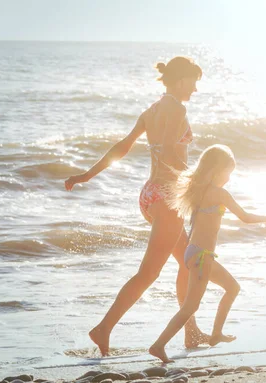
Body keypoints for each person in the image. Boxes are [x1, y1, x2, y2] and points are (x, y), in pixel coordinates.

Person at [64, 56, 209, 356]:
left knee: (189, 263)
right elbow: (170, 148)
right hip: (168, 197)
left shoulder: (152, 110)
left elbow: (123, 146)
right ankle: (103, 328)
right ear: (181, 80)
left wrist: (86, 175)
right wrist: (196, 184)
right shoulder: (177, 108)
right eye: (194, 81)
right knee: (149, 273)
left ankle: (191, 331)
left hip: (150, 195)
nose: (195, 88)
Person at [148, 144, 266, 363]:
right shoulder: (219, 193)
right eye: (228, 173)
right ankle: (158, 345)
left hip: (196, 253)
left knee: (232, 287)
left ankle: (216, 334)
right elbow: (244, 217)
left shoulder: (200, 192)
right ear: (216, 170)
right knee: (191, 306)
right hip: (202, 256)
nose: (228, 178)